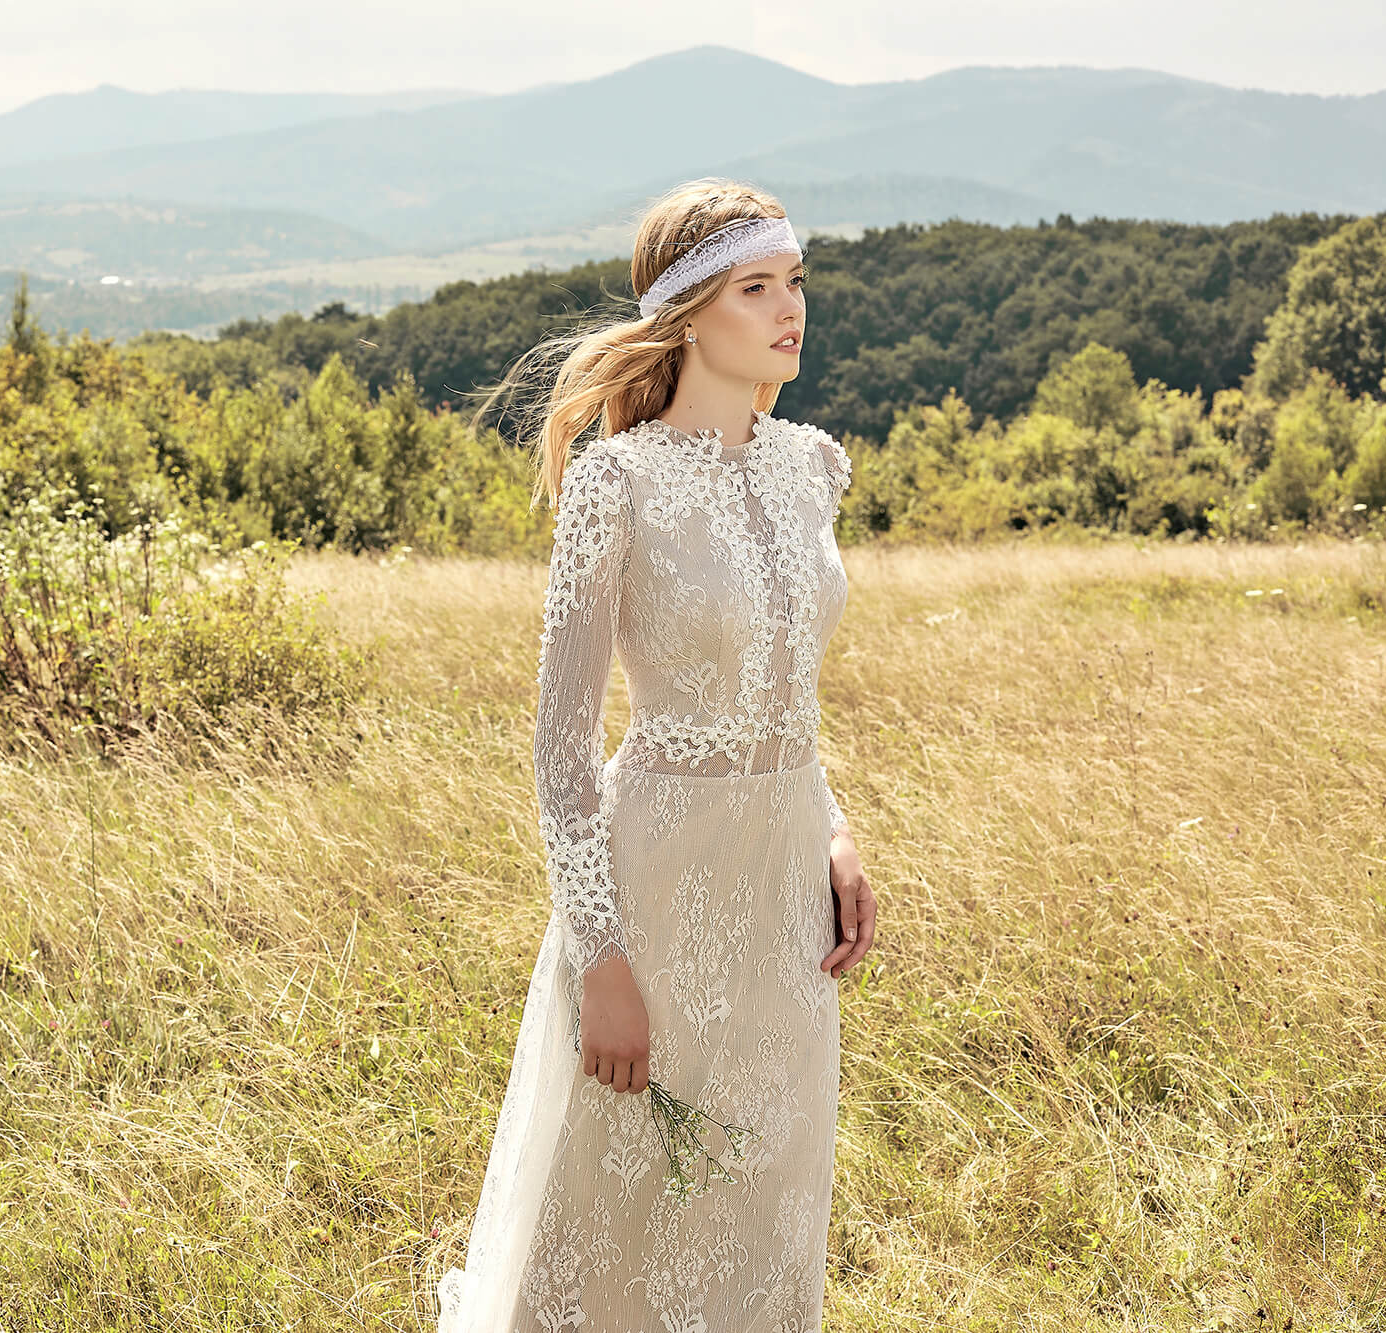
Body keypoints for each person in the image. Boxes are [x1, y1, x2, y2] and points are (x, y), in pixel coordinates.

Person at [436, 177, 878, 1332]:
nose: (789, 311)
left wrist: (832, 827)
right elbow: (561, 748)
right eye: (755, 288)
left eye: (794, 284)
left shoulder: (810, 467)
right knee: (619, 1197)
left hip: (784, 887)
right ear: (686, 315)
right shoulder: (612, 484)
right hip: (655, 885)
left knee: (768, 1187)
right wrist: (601, 960)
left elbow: (792, 691)